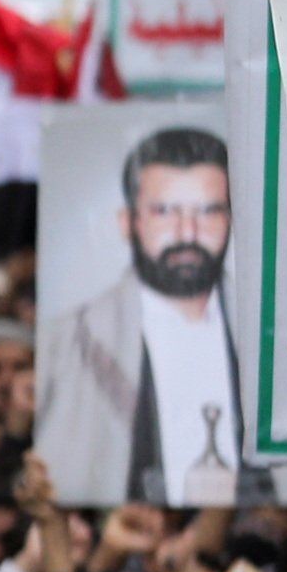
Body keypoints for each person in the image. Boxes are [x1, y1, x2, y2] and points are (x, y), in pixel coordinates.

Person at [42, 127, 247, 510]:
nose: (188, 233)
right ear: (128, 222)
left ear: (232, 220)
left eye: (208, 211)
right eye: (165, 211)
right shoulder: (73, 339)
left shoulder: (269, 337)